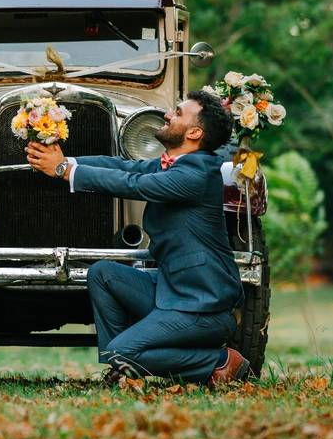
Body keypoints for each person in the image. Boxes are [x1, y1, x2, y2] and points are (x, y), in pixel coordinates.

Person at [26, 90, 249, 386]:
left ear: (194, 132)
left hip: (202, 305)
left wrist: (64, 171)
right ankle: (123, 367)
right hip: (172, 292)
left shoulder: (197, 174)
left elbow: (134, 184)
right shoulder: (177, 164)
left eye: (178, 113)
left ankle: (219, 362)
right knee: (103, 273)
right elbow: (124, 167)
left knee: (120, 351)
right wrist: (66, 160)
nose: (168, 115)